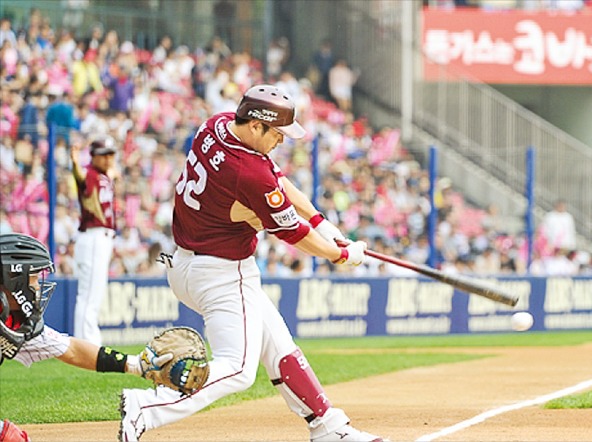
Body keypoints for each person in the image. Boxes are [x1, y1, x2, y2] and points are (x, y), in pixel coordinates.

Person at [118, 84, 386, 442]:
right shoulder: (248, 173)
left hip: (184, 262)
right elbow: (292, 233)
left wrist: (323, 222)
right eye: (277, 133)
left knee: (277, 342)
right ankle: (146, 408)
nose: (282, 140)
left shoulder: (219, 124)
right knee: (238, 369)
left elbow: (278, 180)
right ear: (257, 125)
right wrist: (339, 253)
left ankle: (328, 427)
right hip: (221, 272)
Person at [0, 233, 172, 442]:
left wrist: (136, 365)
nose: (38, 287)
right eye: (34, 277)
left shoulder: (17, 321)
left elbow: (71, 350)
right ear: (12, 278)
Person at [71, 137, 118, 346]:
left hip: (103, 238)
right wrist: (74, 163)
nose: (108, 159)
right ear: (94, 157)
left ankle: (88, 342)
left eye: (110, 154)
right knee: (89, 293)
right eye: (104, 155)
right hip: (93, 236)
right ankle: (86, 344)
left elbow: (111, 172)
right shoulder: (89, 174)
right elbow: (80, 177)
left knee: (94, 293)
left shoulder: (104, 175)